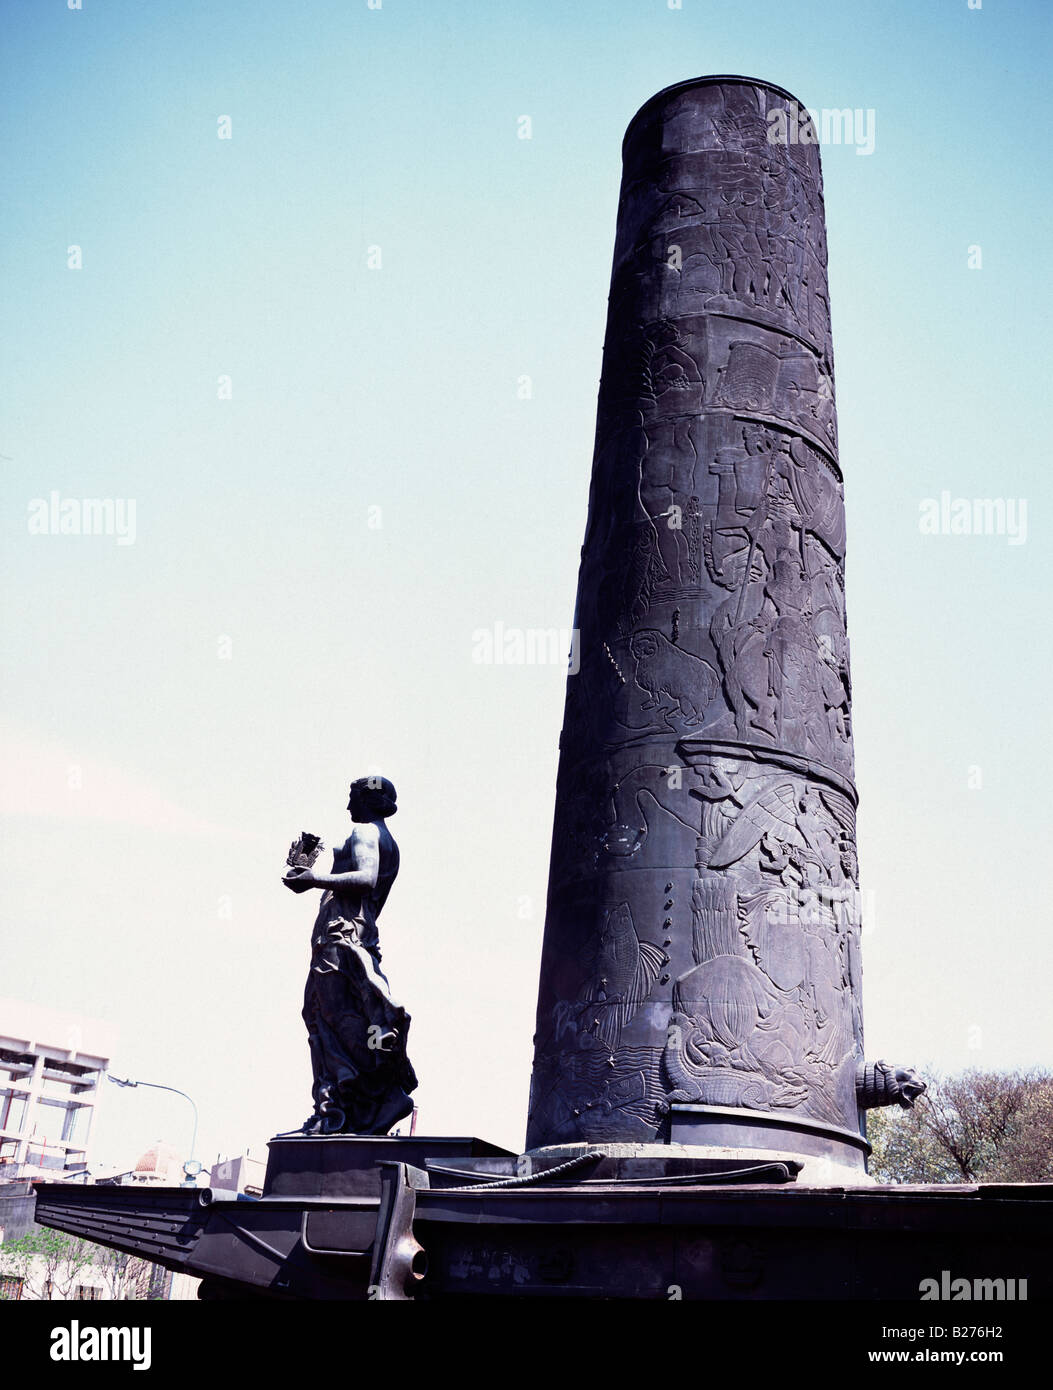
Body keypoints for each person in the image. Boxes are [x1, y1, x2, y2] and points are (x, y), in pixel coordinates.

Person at [282, 776, 416, 1135]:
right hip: (349, 932)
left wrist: (315, 879)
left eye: (352, 797)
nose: (348, 806)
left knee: (334, 1016)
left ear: (369, 800)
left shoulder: (366, 834)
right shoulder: (383, 839)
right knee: (324, 1015)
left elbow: (366, 879)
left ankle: (378, 1091)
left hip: (341, 935)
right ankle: (343, 1104)